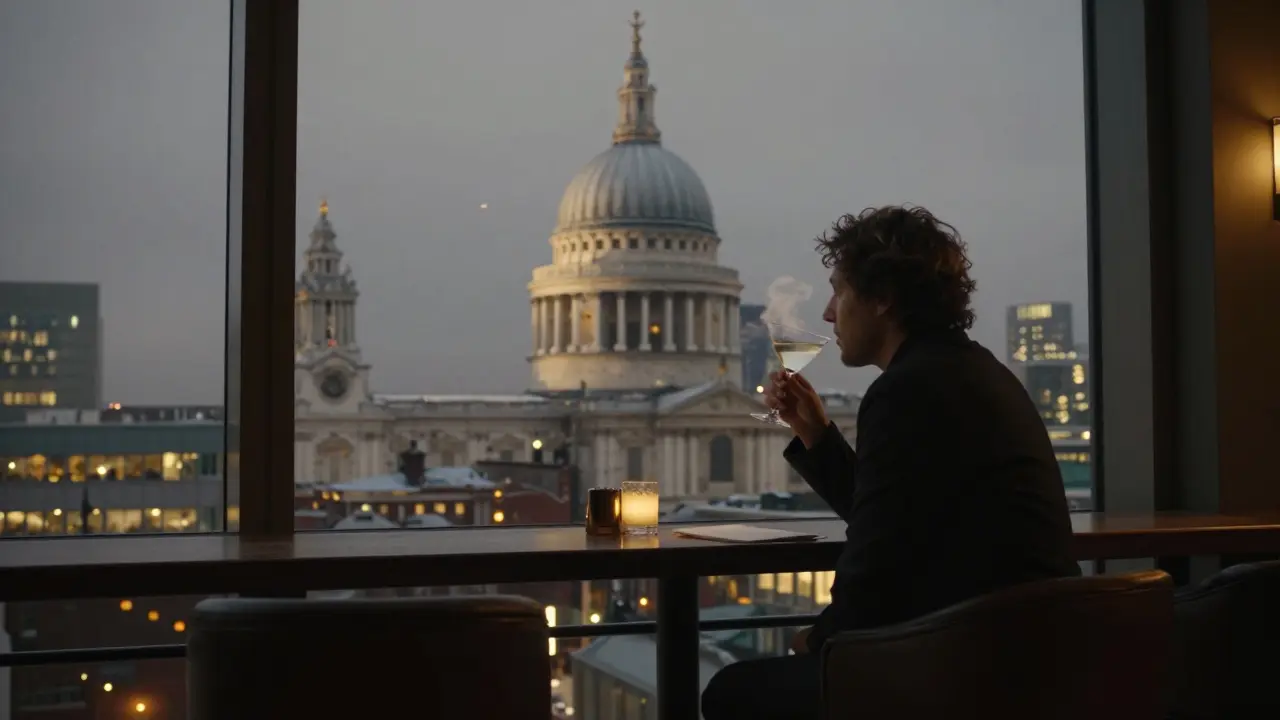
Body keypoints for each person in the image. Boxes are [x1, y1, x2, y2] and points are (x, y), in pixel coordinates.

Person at [701, 206, 1080, 720]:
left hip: (967, 665)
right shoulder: (972, 370)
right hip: (1034, 652)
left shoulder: (906, 391)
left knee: (730, 692)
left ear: (882, 298)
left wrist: (818, 639)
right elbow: (895, 514)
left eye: (839, 290)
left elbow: (875, 566)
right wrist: (815, 433)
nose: (830, 312)